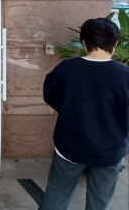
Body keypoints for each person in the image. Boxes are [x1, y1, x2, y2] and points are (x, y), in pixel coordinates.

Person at [39, 18, 129, 210]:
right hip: (111, 149)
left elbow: (51, 96)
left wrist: (72, 109)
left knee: (56, 195)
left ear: (83, 42)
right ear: (115, 44)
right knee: (99, 202)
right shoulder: (125, 75)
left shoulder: (66, 69)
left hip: (70, 146)